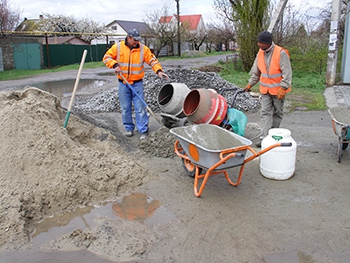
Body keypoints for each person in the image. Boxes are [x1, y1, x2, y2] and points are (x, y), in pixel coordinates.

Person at [103, 29, 169, 140]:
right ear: (128, 37)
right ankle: (129, 128)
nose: (136, 42)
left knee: (140, 108)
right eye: (134, 39)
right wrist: (114, 65)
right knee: (125, 108)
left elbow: (152, 61)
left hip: (137, 84)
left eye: (138, 39)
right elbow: (106, 58)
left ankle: (143, 130)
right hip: (123, 83)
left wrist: (159, 71)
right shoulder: (117, 47)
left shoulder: (143, 49)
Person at [244, 30, 292, 147]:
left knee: (277, 113)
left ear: (268, 43)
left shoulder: (281, 53)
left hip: (278, 91)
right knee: (265, 113)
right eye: (258, 43)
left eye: (261, 43)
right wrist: (250, 85)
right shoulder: (260, 53)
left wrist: (283, 87)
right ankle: (264, 138)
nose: (259, 45)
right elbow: (256, 72)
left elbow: (287, 73)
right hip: (265, 90)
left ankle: (273, 136)